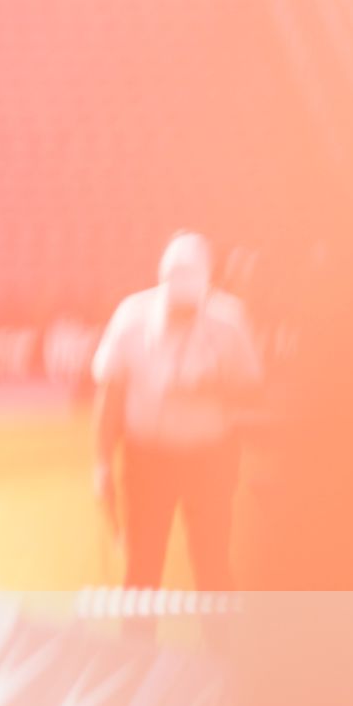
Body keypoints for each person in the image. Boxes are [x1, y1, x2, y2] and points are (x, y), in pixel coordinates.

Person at [93, 231, 262, 594]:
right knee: (141, 571)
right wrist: (102, 464)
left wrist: (210, 387)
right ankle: (136, 652)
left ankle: (221, 650)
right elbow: (110, 394)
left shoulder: (229, 320)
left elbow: (252, 389)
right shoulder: (131, 318)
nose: (182, 313)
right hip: (146, 463)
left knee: (212, 566)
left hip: (211, 461)